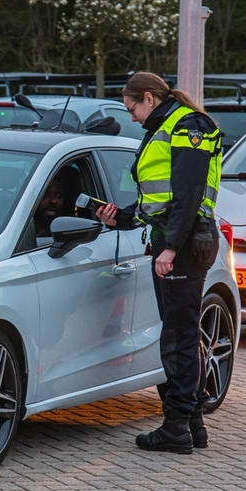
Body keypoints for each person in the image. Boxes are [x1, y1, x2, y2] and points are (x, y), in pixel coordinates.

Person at [94, 72, 222, 455]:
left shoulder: (187, 126)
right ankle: (192, 424)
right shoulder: (168, 125)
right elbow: (161, 199)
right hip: (177, 238)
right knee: (181, 334)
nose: (131, 116)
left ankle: (176, 428)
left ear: (148, 98)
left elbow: (188, 194)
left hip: (183, 244)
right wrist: (122, 216)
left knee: (178, 338)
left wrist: (169, 249)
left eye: (131, 107)